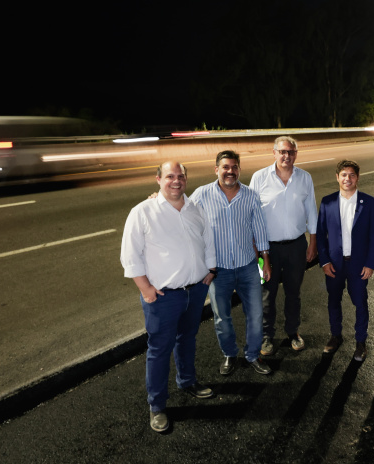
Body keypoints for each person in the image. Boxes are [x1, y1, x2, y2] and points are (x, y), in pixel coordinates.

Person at [120, 161, 217, 433]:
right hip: (164, 297)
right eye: (170, 176)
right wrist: (145, 289)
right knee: (159, 349)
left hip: (195, 291)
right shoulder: (143, 211)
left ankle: (187, 381)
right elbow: (130, 255)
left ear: (186, 179)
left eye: (180, 176)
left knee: (187, 339)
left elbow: (208, 241)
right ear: (158, 179)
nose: (176, 181)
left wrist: (210, 270)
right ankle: (157, 405)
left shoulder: (195, 208)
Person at [191, 150, 273, 377]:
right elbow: (182, 213)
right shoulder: (202, 195)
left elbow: (260, 231)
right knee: (221, 317)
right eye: (225, 167)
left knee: (255, 314)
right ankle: (229, 354)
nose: (230, 171)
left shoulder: (250, 195)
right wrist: (157, 199)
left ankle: (253, 354)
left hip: (248, 267)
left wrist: (265, 262)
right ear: (216, 169)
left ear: (239, 169)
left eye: (234, 167)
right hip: (219, 271)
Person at [249, 136, 317, 356]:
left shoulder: (305, 177)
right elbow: (251, 214)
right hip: (266, 249)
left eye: (291, 152)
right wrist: (256, 250)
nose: (286, 156)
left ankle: (292, 332)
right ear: (274, 153)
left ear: (295, 154)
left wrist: (312, 243)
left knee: (293, 293)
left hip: (297, 246)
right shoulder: (259, 177)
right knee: (265, 294)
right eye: (282, 151)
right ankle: (266, 336)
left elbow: (311, 210)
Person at [316, 160, 374, 361]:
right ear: (337, 177)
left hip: (358, 264)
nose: (348, 179)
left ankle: (361, 341)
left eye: (352, 175)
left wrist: (370, 263)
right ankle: (336, 336)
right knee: (333, 300)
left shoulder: (369, 203)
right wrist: (324, 261)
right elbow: (320, 235)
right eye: (344, 175)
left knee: (360, 302)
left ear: (357, 177)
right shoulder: (327, 202)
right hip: (334, 264)